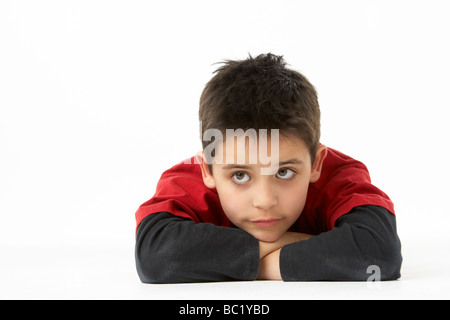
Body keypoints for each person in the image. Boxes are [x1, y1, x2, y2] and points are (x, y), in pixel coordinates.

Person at [134, 53, 402, 283]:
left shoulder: (338, 175)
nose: (265, 201)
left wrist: (255, 264)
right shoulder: (187, 180)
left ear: (316, 163)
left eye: (284, 172)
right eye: (240, 175)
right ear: (207, 170)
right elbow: (156, 256)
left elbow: (380, 255)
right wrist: (287, 246)